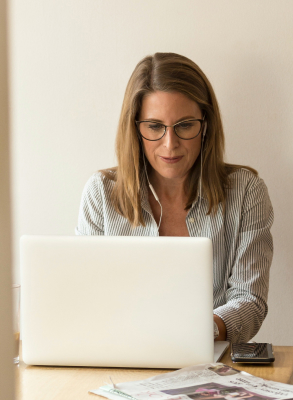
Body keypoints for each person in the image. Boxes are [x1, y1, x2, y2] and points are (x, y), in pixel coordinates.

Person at [76, 52, 274, 343]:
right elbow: (86, 299)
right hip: (120, 359)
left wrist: (196, 333)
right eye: (155, 127)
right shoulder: (101, 193)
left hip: (210, 364)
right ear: (135, 128)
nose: (170, 145)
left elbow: (250, 301)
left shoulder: (246, 192)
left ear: (205, 125)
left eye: (184, 125)